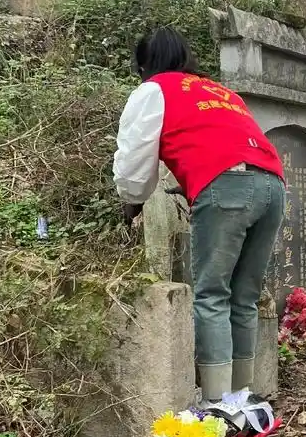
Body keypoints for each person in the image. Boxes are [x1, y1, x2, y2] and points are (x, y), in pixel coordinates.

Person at [112, 27, 286, 407]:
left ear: (145, 65)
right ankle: (244, 399)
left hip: (227, 187)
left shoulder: (154, 89)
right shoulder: (219, 92)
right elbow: (223, 142)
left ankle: (217, 403)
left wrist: (132, 201)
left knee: (211, 295)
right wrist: (196, 184)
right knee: (245, 297)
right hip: (273, 186)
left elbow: (134, 165)